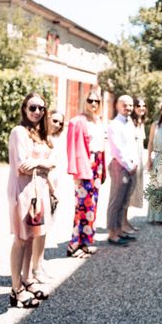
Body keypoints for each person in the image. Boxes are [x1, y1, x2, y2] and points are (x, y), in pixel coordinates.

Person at [7, 93, 55, 308]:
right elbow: (22, 165)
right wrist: (44, 163)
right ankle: (15, 288)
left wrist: (41, 166)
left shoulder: (39, 133)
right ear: (24, 109)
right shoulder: (19, 132)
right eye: (33, 107)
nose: (37, 112)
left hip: (38, 191)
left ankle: (27, 280)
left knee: (32, 237)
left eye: (41, 108)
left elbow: (42, 163)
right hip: (23, 190)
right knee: (21, 238)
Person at [66, 91, 106, 257]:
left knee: (92, 205)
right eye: (90, 100)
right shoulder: (77, 122)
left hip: (97, 166)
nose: (94, 104)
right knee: (81, 206)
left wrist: (103, 169)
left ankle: (86, 241)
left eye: (97, 101)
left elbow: (102, 146)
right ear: (85, 102)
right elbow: (71, 148)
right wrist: (75, 172)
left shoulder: (98, 121)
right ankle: (74, 244)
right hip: (84, 166)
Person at [30, 110, 65, 282]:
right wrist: (52, 189)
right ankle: (35, 269)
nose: (57, 124)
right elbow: (44, 169)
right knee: (39, 231)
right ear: (47, 118)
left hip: (52, 189)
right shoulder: (41, 139)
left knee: (45, 232)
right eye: (55, 120)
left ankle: (38, 266)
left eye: (60, 123)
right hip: (44, 189)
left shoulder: (55, 140)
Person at [106, 95, 139, 245]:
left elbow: (133, 144)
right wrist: (128, 165)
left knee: (125, 200)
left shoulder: (130, 122)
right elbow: (117, 149)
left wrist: (135, 162)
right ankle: (112, 234)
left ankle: (119, 231)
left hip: (131, 166)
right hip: (120, 166)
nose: (128, 108)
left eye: (130, 105)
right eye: (125, 105)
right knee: (116, 201)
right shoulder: (114, 124)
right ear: (117, 106)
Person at [124, 97, 146, 233]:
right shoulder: (129, 122)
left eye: (144, 106)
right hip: (131, 162)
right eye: (138, 106)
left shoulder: (140, 122)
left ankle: (126, 222)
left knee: (132, 192)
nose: (141, 108)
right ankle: (123, 223)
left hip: (139, 161)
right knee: (126, 193)